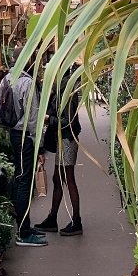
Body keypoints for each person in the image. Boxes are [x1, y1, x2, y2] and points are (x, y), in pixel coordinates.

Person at [0, 53, 48, 247]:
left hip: (15, 135)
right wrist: (40, 146)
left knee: (20, 178)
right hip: (27, 138)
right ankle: (23, 233)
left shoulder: (6, 79)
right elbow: (33, 119)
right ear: (29, 61)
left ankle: (25, 226)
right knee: (24, 182)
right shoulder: (28, 83)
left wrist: (8, 128)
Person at [35, 78, 82, 236]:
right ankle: (54, 218)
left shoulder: (67, 94)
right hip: (63, 140)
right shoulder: (60, 92)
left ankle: (75, 221)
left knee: (67, 178)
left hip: (67, 140)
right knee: (59, 179)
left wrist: (49, 119)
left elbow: (69, 122)